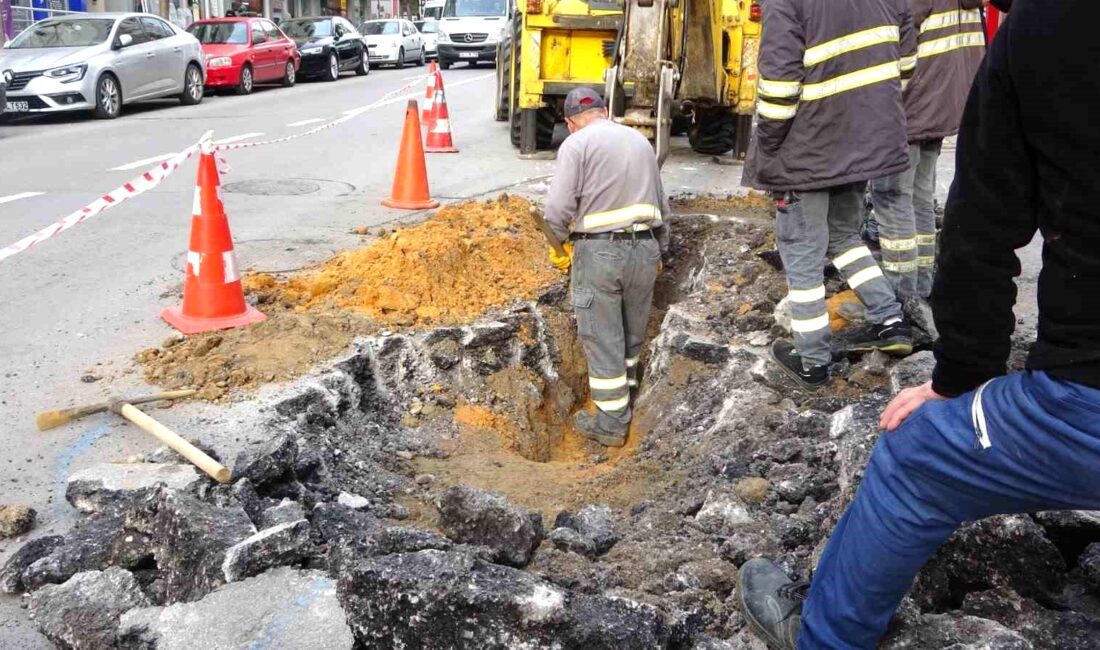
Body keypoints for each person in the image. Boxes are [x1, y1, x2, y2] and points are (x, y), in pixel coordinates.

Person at [738, 2, 1100, 648]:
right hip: (869, 143)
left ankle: (824, 636)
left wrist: (962, 375)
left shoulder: (1044, 29)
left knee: (915, 455)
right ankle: (890, 313)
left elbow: (981, 232)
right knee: (855, 238)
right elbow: (900, 65)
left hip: (1086, 397)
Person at [744, 0, 918, 390]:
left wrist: (770, 145)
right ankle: (891, 322)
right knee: (844, 236)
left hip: (806, 150)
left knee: (802, 253)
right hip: (860, 145)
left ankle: (812, 362)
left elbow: (779, 85)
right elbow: (905, 69)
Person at [544, 87, 670, 447]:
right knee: (631, 335)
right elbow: (663, 205)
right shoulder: (640, 141)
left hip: (599, 252)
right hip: (644, 249)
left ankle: (612, 423)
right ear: (604, 110)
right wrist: (660, 251)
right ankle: (626, 400)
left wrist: (557, 245)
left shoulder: (576, 144)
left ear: (571, 123)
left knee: (602, 338)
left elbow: (557, 209)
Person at [870, 0, 985, 299]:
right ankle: (922, 287)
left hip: (910, 109)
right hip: (942, 104)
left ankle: (900, 295)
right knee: (920, 197)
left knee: (893, 197)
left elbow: (892, 47)